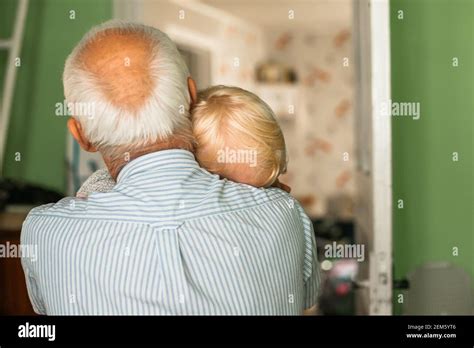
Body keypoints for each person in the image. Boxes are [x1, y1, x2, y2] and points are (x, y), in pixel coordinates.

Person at [21, 20, 320, 315]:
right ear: (191, 96)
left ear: (81, 135)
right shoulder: (284, 212)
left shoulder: (44, 233)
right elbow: (304, 298)